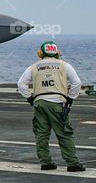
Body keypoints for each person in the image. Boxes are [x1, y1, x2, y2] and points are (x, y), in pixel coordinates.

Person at [17, 41, 84, 172]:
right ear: (57, 52)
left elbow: (21, 84)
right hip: (58, 102)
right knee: (64, 133)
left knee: (41, 134)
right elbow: (76, 83)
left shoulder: (34, 67)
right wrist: (70, 98)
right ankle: (72, 163)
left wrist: (30, 98)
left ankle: (46, 162)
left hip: (40, 102)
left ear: (41, 53)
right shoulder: (64, 65)